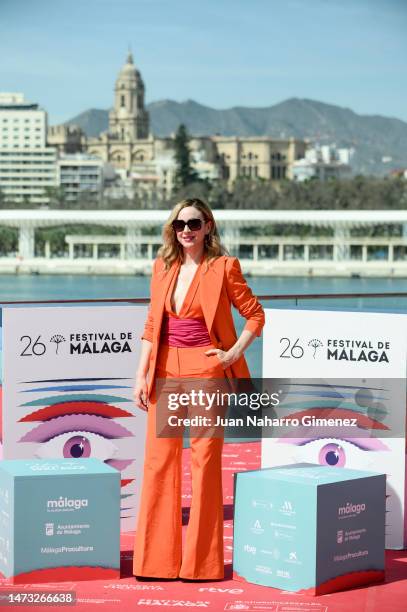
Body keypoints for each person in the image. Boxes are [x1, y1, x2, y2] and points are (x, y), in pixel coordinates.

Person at [133, 198, 265, 580]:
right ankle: (155, 563)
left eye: (193, 223)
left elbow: (255, 315)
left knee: (205, 463)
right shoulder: (162, 268)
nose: (186, 230)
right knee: (159, 463)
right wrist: (141, 375)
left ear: (208, 225)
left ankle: (201, 567)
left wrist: (232, 354)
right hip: (164, 369)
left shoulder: (224, 267)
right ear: (172, 230)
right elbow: (150, 327)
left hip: (207, 369)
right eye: (179, 224)